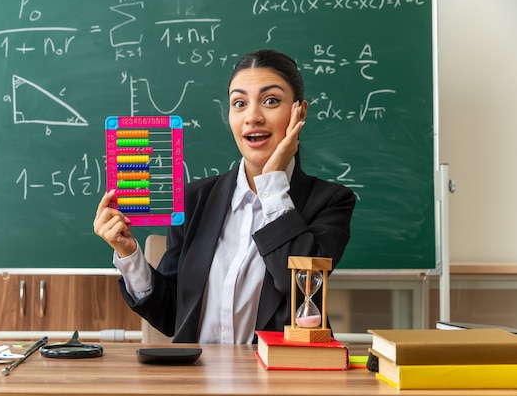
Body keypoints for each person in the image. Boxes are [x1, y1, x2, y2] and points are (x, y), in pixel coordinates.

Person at [94, 49, 355, 344]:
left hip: (279, 382)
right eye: (239, 103)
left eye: (271, 101)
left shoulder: (331, 201)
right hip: (198, 382)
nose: (253, 117)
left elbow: (299, 285)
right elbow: (172, 317)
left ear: (299, 112)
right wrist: (129, 254)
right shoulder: (194, 200)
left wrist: (272, 184)